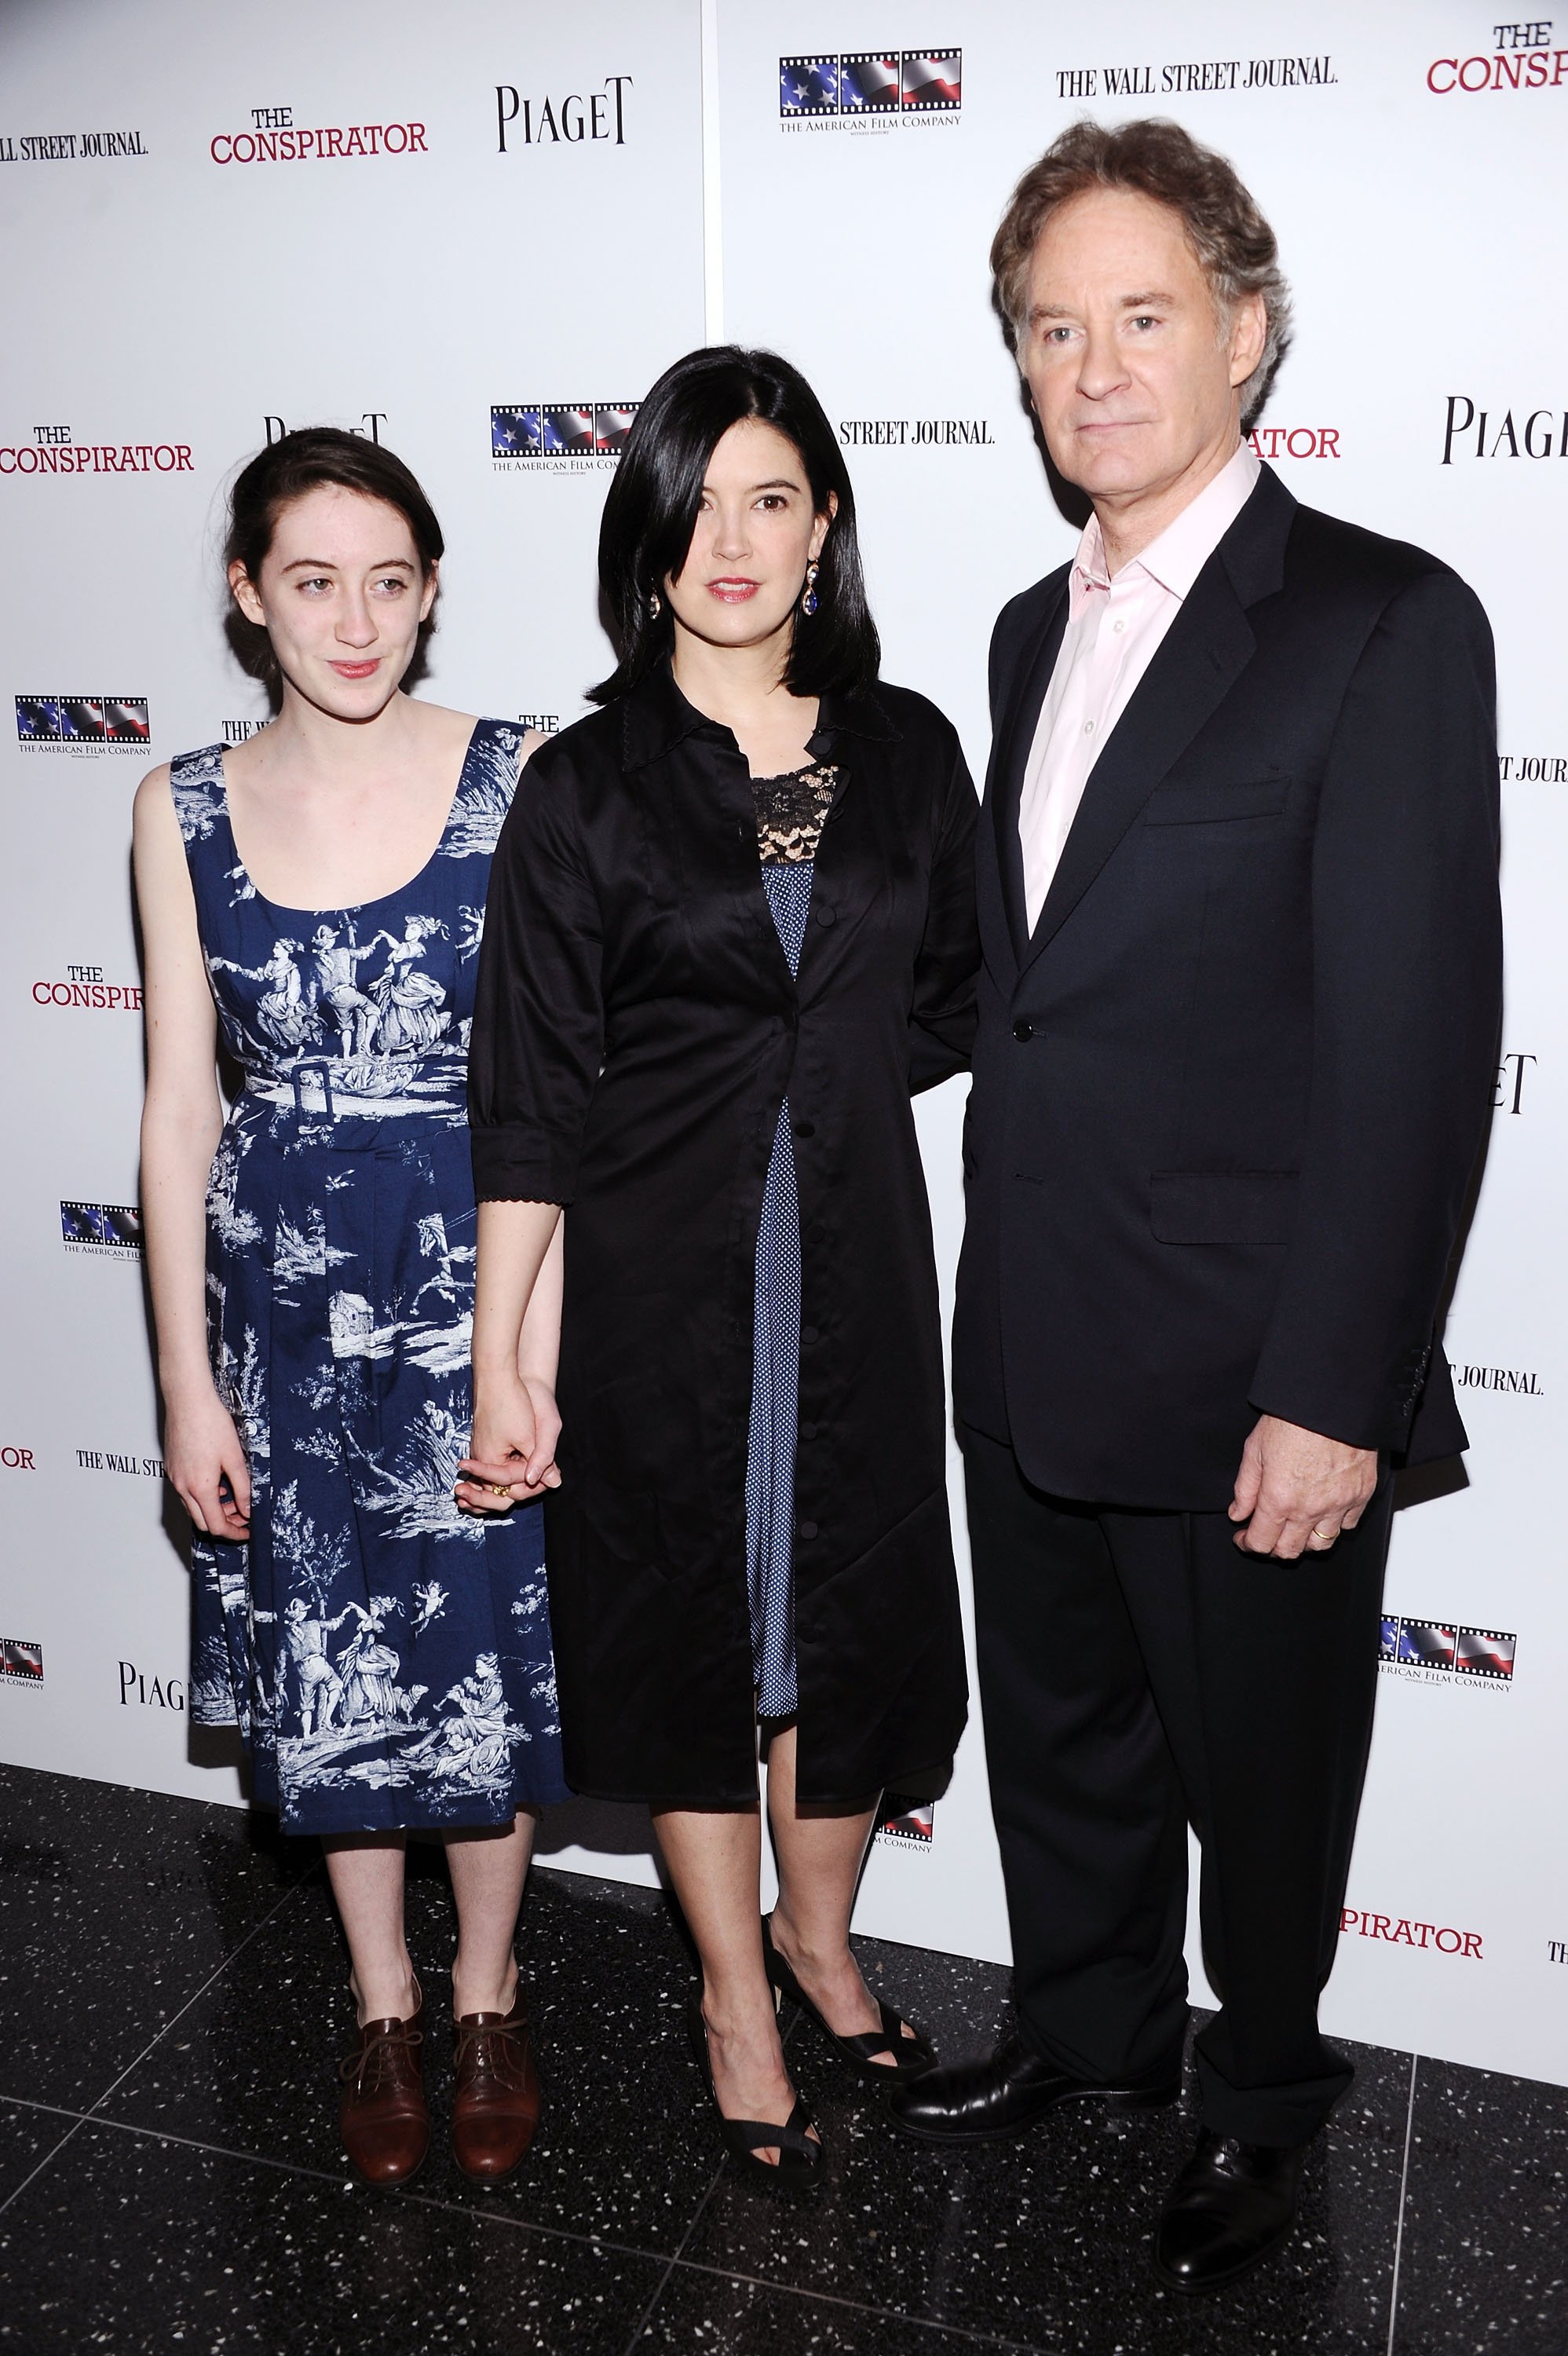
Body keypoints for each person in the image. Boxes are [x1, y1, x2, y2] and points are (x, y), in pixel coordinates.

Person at [888, 119, 1503, 2294]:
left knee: (1263, 1764)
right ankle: (1084, 2030)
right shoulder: (1011, 634)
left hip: (1252, 1355)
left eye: (1138, 315)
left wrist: (1330, 1387)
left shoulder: (1376, 622)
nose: (1090, 365)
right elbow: (1030, 990)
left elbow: (1410, 1050)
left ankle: (1256, 2100)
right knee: (1057, 1724)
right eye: (1048, 327)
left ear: (1245, 331)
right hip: (1034, 1312)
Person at [458, 346, 978, 2176]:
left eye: (775, 498)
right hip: (659, 1278)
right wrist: (501, 1349)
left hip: (855, 1264)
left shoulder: (910, 751)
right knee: (693, 1625)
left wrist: (805, 1089)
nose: (735, 539)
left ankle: (821, 1942)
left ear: (825, 522)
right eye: (700, 500)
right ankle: (732, 1998)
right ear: (648, 531)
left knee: (837, 1614)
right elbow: (523, 1090)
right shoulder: (583, 784)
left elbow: (952, 999)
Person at [134, 426, 569, 2190]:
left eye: (390, 579)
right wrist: (185, 1379)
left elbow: (559, 1087)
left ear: (433, 588)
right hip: (280, 1304)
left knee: (474, 1653)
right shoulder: (179, 804)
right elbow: (178, 1109)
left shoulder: (520, 777)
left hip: (472, 1275)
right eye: (313, 580)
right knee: (330, 1659)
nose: (356, 619)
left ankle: (487, 1994)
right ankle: (382, 2002)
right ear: (251, 597)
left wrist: (525, 1357)